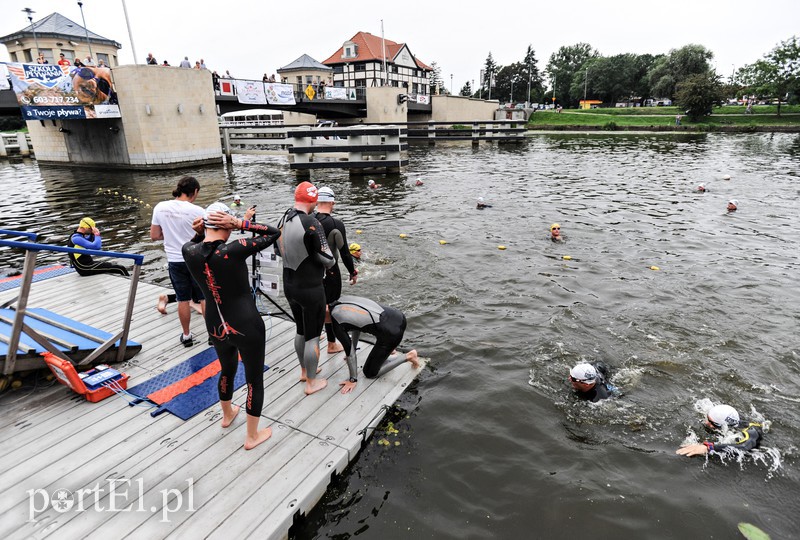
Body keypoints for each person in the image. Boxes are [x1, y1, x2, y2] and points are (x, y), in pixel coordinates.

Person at [183, 202, 278, 450]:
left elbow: (199, 244)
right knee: (254, 380)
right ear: (226, 225)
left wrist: (200, 231)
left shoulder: (188, 250)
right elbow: (273, 232)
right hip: (246, 323)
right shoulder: (234, 250)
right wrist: (241, 223)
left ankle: (227, 416)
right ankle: (251, 436)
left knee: (226, 369)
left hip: (214, 323)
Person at [276, 182, 335, 395]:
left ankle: (304, 371)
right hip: (310, 287)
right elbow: (328, 259)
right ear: (313, 201)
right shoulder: (312, 222)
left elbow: (277, 249)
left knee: (300, 330)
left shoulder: (283, 219)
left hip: (290, 285)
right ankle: (312, 382)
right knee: (312, 335)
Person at [150, 176, 206, 347]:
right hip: (195, 259)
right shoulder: (199, 211)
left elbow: (154, 236)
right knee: (204, 298)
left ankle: (187, 336)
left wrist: (171, 234)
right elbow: (207, 238)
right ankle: (213, 334)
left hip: (175, 260)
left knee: (183, 299)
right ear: (195, 191)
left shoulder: (160, 207)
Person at [329, 295, 420, 394]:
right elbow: (356, 325)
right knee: (379, 335)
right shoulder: (340, 301)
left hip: (391, 333)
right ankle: (388, 350)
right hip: (398, 316)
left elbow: (349, 352)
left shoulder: (336, 323)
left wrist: (353, 380)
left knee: (369, 373)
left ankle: (408, 356)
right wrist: (353, 349)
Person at [313, 187, 358, 354]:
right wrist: (353, 272)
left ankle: (316, 334)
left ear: (317, 202)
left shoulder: (307, 220)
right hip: (330, 271)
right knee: (331, 307)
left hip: (311, 273)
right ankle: (332, 344)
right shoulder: (335, 224)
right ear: (333, 202)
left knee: (317, 304)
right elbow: (345, 252)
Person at [676, 404, 763, 457]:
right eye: (707, 418)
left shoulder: (751, 432)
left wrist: (709, 447)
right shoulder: (731, 420)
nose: (706, 423)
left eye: (711, 422)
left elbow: (744, 447)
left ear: (724, 425)